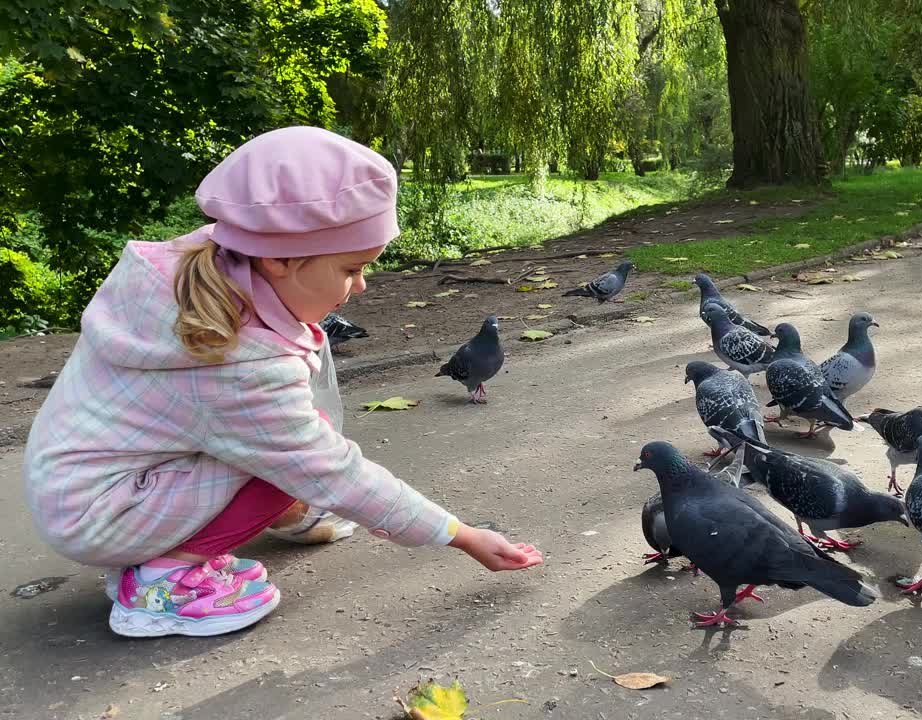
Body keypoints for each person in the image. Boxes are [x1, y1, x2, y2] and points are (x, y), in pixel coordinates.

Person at [22, 126, 543, 638]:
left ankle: (217, 535)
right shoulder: (237, 364)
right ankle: (163, 582)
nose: (360, 286)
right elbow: (332, 470)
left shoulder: (206, 266)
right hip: (101, 515)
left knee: (287, 446)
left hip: (78, 486)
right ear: (277, 259)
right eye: (351, 268)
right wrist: (460, 535)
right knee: (298, 457)